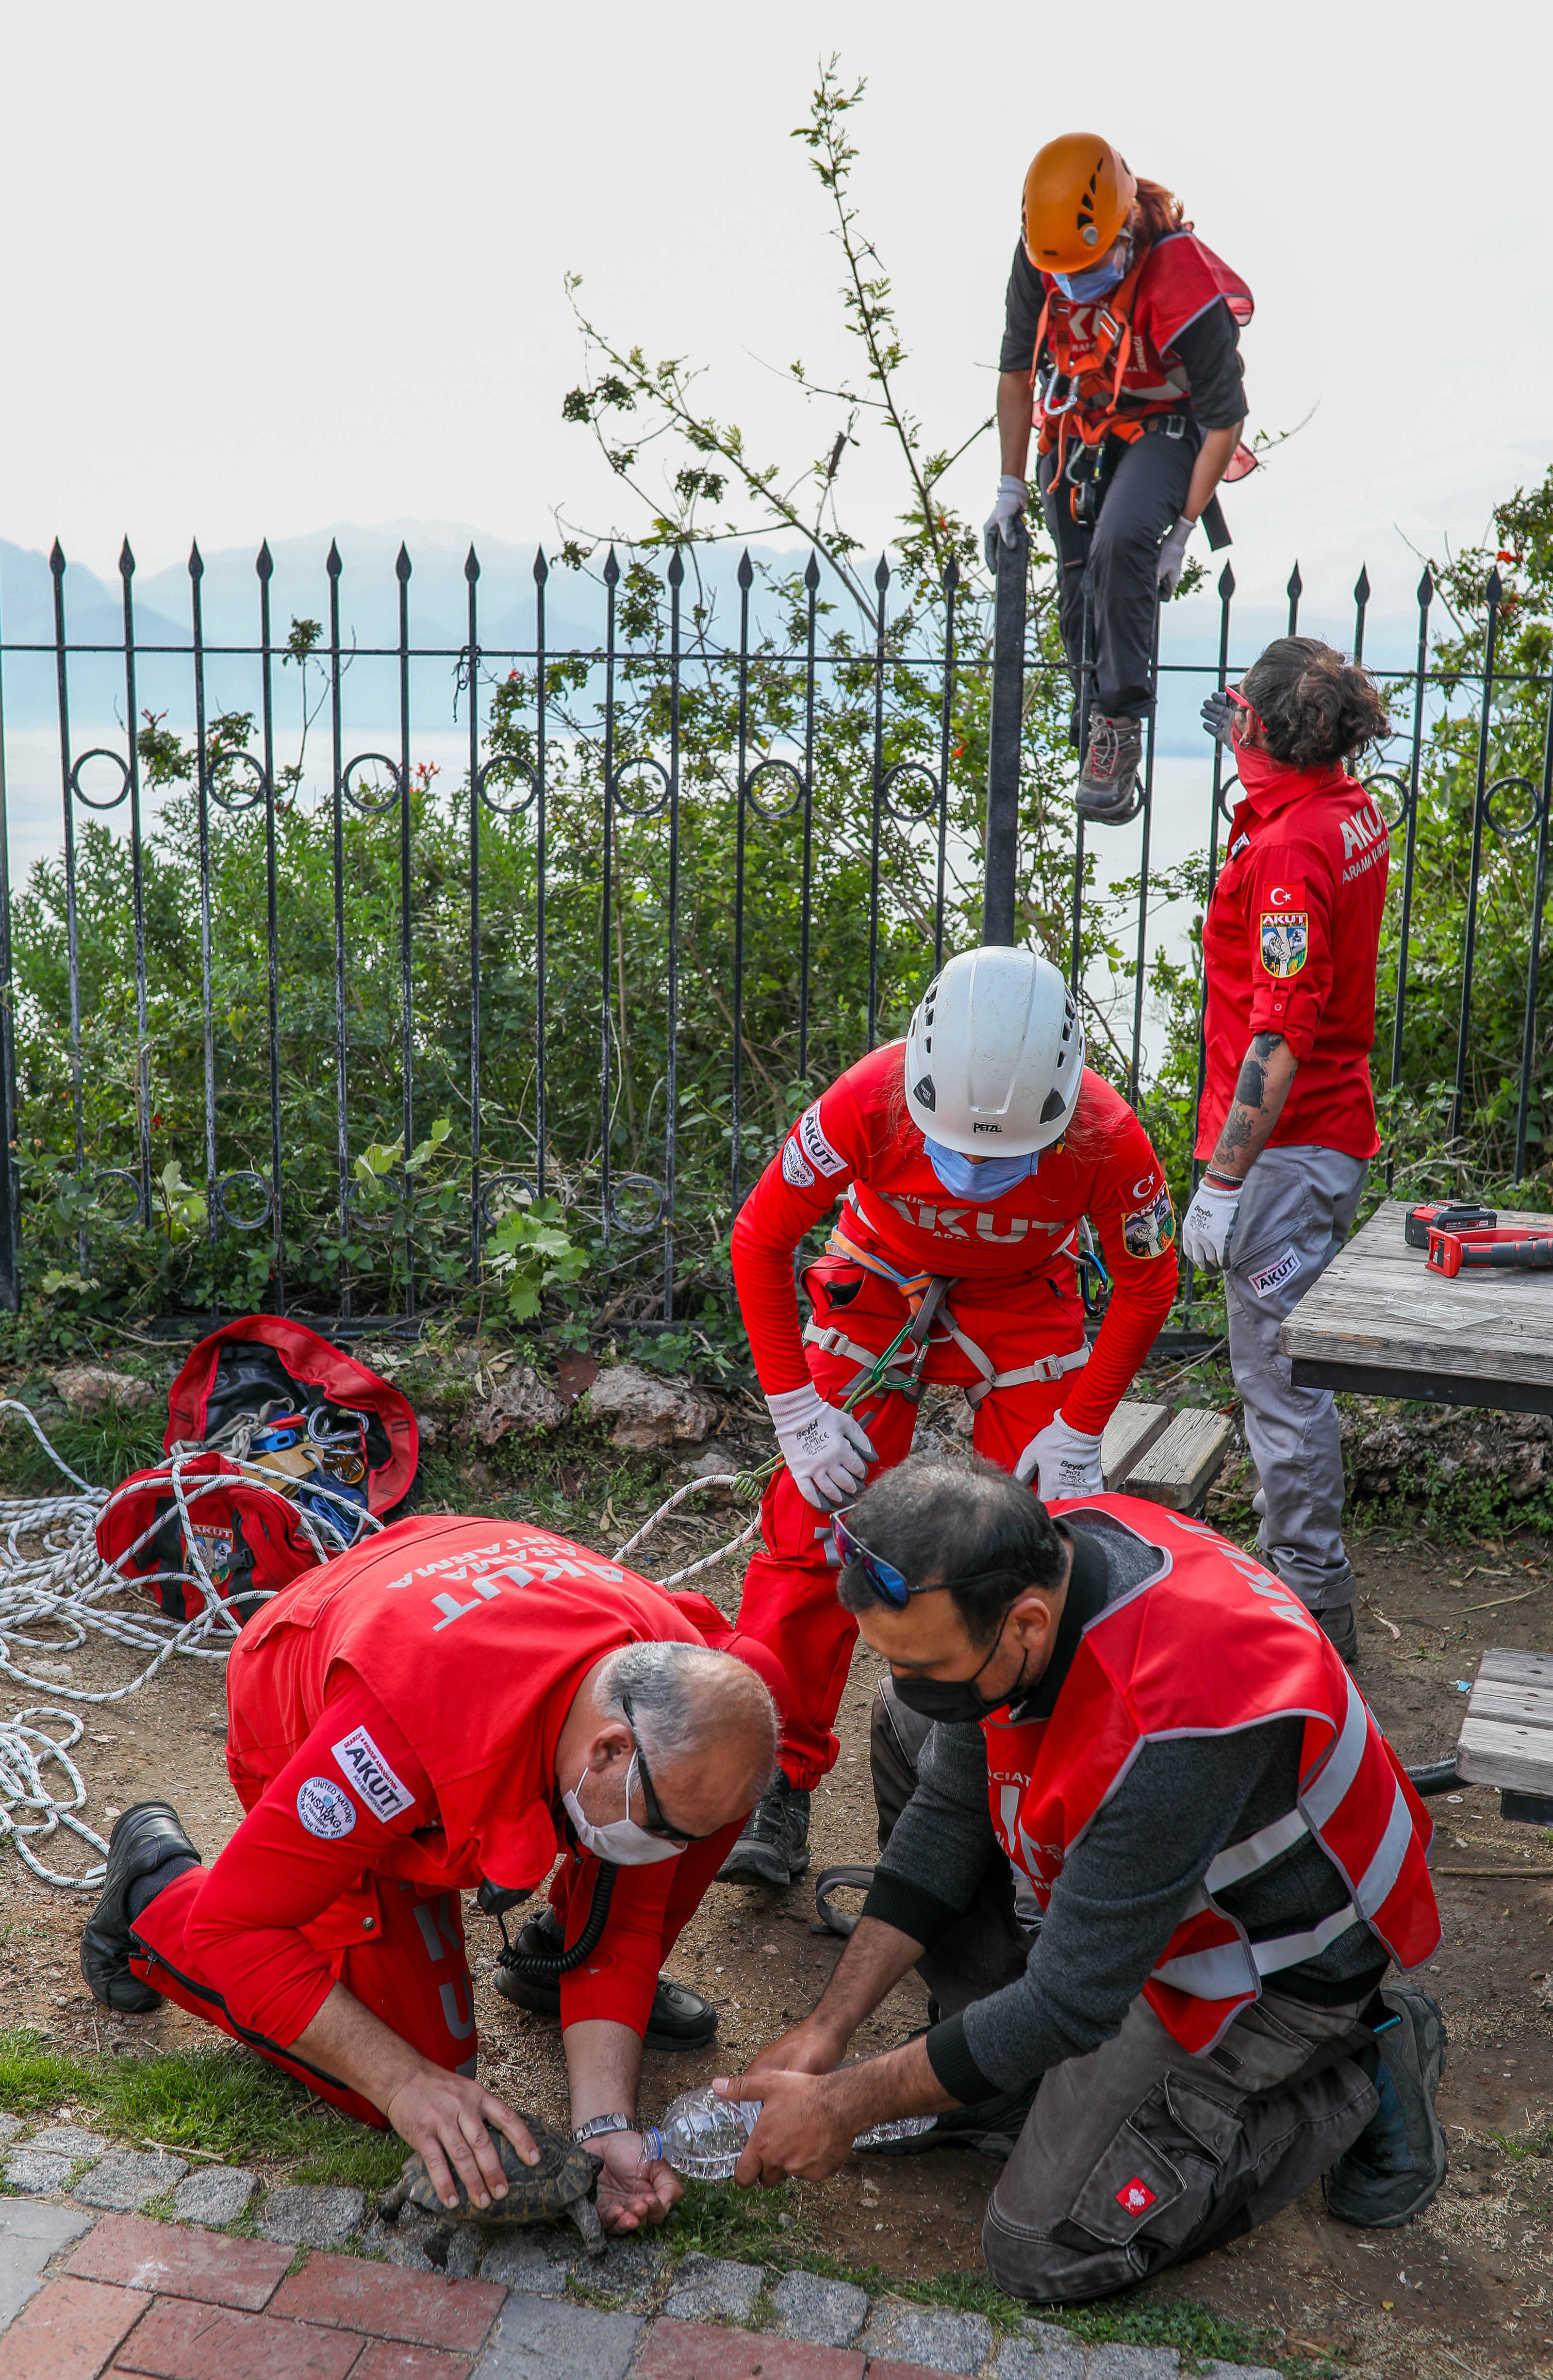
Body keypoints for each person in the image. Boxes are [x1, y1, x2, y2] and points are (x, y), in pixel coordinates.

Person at [719, 1457, 1447, 2302]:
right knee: (910, 1722)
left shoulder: (1171, 1724)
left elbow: (1072, 2002)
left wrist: (846, 2104)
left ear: (1027, 1624)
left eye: (926, 1659)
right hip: (1146, 1891)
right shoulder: (1028, 1553)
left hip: (1270, 1968)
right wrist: (828, 2027)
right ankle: (995, 2070)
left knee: (1041, 2248)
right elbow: (952, 1812)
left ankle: (1361, 2066)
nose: (908, 1678)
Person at [79, 1513, 782, 2235]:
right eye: (661, 1829)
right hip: (312, 1696)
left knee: (724, 1762)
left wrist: (604, 2123)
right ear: (607, 1750)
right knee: (411, 2072)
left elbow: (626, 1917)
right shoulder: (389, 1745)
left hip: (449, 1592)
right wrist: (403, 2081)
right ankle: (152, 1890)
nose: (670, 1852)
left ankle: (557, 1953)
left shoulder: (676, 1683)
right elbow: (233, 1929)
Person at [718, 943, 1177, 1887]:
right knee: (812, 1524)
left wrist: (1083, 1424)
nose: (972, 1166)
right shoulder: (868, 1095)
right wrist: (797, 1413)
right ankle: (774, 1781)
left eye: (1000, 1154)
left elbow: (1146, 1279)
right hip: (881, 1271)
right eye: (954, 1145)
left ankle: (1027, 1778)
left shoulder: (1108, 1133)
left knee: (1038, 1537)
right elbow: (762, 1235)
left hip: (1022, 1290)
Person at [1181, 640, 1392, 1667]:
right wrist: (1253, 747)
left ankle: (1310, 1608)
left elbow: (1278, 1033)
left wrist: (1223, 1183)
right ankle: (1297, 1576)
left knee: (1279, 1378)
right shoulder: (1344, 808)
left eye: (1242, 715)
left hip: (1284, 1155)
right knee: (1282, 1365)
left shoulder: (1287, 852)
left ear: (1263, 728)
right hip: (1329, 1133)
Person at [986, 133, 1255, 823]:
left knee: (1123, 539)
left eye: (1089, 265)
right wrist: (1009, 487)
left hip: (1173, 425)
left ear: (1123, 226)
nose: (1073, 284)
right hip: (1083, 421)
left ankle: (1120, 724)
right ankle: (1091, 711)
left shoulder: (1179, 274)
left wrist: (1184, 529)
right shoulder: (1042, 256)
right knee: (1079, 578)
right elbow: (1018, 372)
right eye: (1063, 273)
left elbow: (1226, 418)